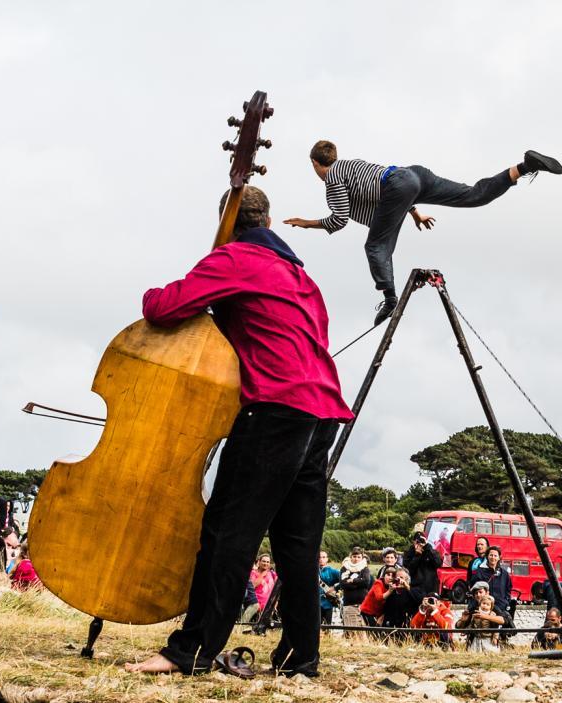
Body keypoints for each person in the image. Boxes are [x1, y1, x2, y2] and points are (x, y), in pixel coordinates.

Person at [124, 185, 352, 678]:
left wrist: (186, 283)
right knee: (297, 545)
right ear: (267, 220)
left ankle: (192, 651)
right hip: (322, 412)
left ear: (228, 223)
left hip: (274, 409)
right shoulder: (301, 276)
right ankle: (299, 658)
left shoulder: (234, 259)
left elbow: (162, 308)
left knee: (228, 533)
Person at [283, 143, 562, 324]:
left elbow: (339, 219)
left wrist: (306, 223)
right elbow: (385, 186)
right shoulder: (351, 165)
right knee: (473, 195)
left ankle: (390, 299)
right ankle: (524, 167)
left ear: (316, 163)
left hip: (400, 186)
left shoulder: (332, 178)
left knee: (375, 247)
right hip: (414, 175)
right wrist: (415, 212)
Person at [337, 546, 372, 636]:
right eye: (354, 556)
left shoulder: (364, 568)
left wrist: (352, 580)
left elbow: (366, 582)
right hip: (349, 604)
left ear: (362, 558)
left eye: (358, 557)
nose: (356, 559)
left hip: (363, 605)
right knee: (351, 633)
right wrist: (359, 583)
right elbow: (343, 584)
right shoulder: (344, 568)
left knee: (363, 632)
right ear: (351, 557)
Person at [471, 545, 514, 613]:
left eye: (495, 555)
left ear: (499, 557)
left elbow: (508, 589)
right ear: (487, 556)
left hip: (501, 608)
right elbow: (475, 590)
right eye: (491, 555)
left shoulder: (504, 574)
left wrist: (506, 602)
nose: (493, 557)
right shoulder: (479, 572)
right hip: (485, 608)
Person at [403, 530, 442, 603]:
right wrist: (417, 555)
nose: (420, 543)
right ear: (413, 542)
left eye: (422, 540)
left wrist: (428, 547)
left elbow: (438, 563)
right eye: (417, 541)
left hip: (430, 588)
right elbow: (408, 570)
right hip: (415, 588)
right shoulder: (409, 553)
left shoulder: (431, 551)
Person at [317, 550, 342, 626]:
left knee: (327, 627)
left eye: (323, 557)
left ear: (327, 559)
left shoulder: (332, 571)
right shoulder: (312, 571)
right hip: (315, 604)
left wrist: (335, 588)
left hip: (328, 604)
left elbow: (344, 581)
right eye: (319, 557)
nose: (321, 559)